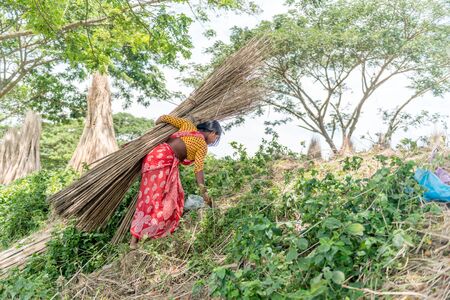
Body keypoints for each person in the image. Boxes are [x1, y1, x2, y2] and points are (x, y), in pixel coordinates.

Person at [129, 115, 222, 248]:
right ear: (213, 132)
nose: (214, 141)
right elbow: (198, 171)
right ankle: (149, 237)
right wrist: (204, 193)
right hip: (163, 162)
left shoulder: (187, 126)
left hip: (155, 156)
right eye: (216, 138)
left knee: (150, 197)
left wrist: (156, 130)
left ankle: (142, 238)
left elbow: (162, 118)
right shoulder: (202, 146)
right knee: (163, 199)